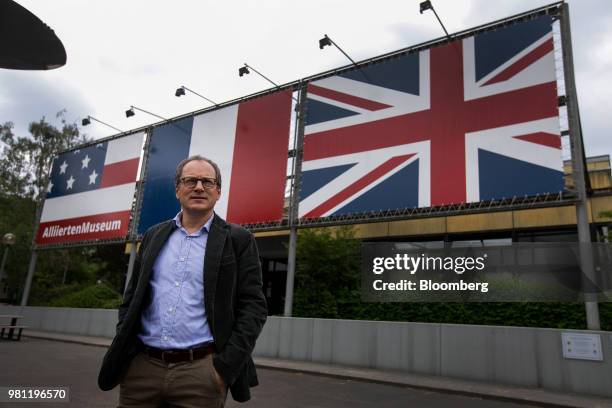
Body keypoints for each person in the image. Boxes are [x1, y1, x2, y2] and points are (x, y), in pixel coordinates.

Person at [98, 155, 268, 407]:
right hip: (141, 369)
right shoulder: (154, 235)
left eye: (207, 182)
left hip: (201, 374)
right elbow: (132, 297)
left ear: (218, 192)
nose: (199, 187)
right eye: (190, 181)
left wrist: (223, 369)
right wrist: (129, 352)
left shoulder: (238, 239)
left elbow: (254, 307)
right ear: (178, 190)